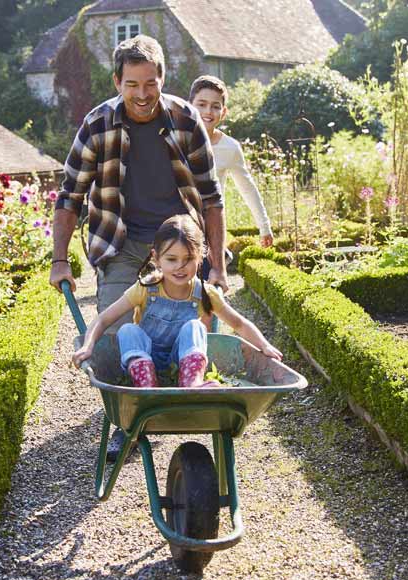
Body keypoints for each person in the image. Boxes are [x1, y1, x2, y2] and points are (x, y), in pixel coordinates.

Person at [50, 35, 227, 460]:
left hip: (180, 243)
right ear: (117, 81)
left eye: (150, 83)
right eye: (133, 84)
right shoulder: (96, 125)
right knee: (114, 339)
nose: (143, 94)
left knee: (190, 329)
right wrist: (60, 260)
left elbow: (211, 198)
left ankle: (186, 397)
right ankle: (127, 423)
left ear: (162, 79)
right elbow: (69, 196)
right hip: (121, 242)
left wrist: (217, 265)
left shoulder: (186, 120)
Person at [72, 216, 282, 388]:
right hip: (145, 358)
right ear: (156, 258)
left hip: (180, 363)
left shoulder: (204, 293)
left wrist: (264, 346)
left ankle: (192, 383)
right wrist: (88, 346)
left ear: (200, 257)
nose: (180, 267)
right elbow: (103, 319)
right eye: (171, 259)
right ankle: (145, 384)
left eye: (188, 259)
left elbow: (239, 324)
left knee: (195, 326)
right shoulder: (146, 288)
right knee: (127, 330)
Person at [189, 75, 274, 248]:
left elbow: (247, 188)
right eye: (202, 104)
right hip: (176, 227)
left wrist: (264, 226)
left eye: (215, 107)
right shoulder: (174, 139)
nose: (208, 111)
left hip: (211, 230)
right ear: (189, 106)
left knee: (213, 273)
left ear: (224, 112)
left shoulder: (230, 148)